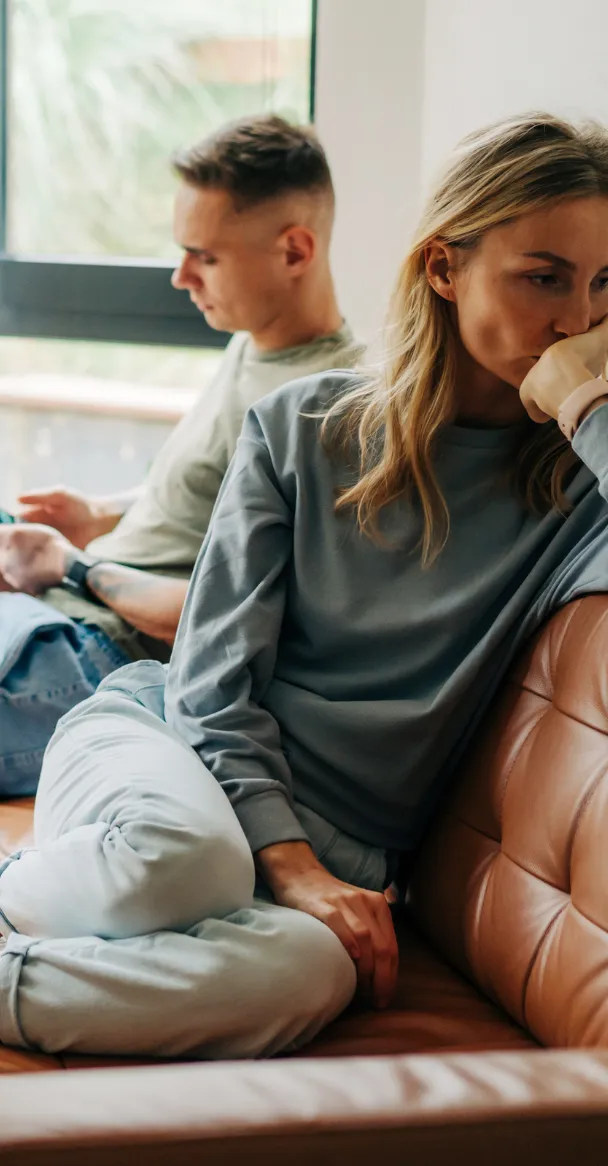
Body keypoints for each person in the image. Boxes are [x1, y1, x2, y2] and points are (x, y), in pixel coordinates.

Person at [4, 111, 608, 1061]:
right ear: (444, 270)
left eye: (606, 284)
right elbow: (210, 681)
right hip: (168, 753)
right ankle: (28, 888)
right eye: (545, 277)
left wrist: (587, 402)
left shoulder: (579, 492)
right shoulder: (304, 426)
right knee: (185, 863)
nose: (578, 320)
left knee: (316, 975)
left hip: (340, 857)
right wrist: (285, 863)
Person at [0, 115, 363, 797]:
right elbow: (211, 497)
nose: (179, 277)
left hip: (98, 654)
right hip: (65, 608)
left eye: (206, 256)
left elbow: (239, 619)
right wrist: (99, 515)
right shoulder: (256, 338)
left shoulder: (326, 409)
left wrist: (73, 565)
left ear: (294, 251)